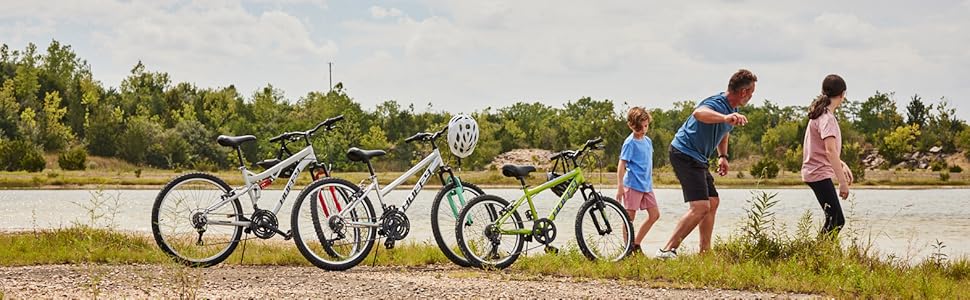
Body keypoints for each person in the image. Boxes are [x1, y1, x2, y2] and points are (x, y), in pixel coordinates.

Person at [656, 69, 757, 259]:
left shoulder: (733, 110)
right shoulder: (717, 103)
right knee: (700, 206)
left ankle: (704, 252)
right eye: (751, 92)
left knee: (712, 202)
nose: (751, 96)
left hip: (698, 157)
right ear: (743, 92)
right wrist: (725, 118)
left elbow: (723, 131)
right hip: (683, 153)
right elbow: (699, 113)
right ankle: (666, 250)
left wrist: (723, 156)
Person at [801, 74, 854, 236]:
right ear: (842, 94)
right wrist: (842, 183)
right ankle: (817, 256)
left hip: (815, 172)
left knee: (834, 219)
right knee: (836, 220)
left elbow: (827, 150)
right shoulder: (827, 118)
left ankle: (820, 254)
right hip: (818, 173)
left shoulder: (819, 114)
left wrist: (842, 164)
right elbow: (830, 151)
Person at [616, 107, 660, 255]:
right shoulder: (630, 143)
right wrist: (620, 185)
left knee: (655, 215)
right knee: (629, 218)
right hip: (633, 185)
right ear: (632, 125)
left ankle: (636, 244)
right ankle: (628, 250)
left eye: (646, 126)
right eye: (640, 127)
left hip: (646, 186)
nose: (643, 129)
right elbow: (622, 164)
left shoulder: (648, 141)